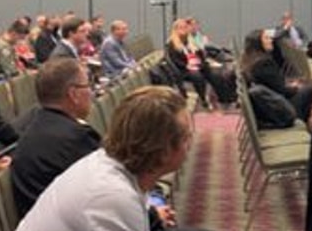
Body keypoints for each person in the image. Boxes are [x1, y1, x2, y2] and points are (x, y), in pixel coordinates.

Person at [18, 86, 193, 231]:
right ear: (162, 150)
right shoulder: (112, 196)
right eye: (186, 137)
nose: (190, 143)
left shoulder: (110, 163)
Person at [10, 58, 101, 217]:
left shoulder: (34, 128)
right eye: (88, 86)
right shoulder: (76, 138)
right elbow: (110, 191)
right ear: (73, 94)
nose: (91, 92)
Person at [241, 28, 312, 124]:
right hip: (278, 108)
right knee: (308, 90)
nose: (271, 40)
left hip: (267, 106)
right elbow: (282, 91)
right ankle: (299, 121)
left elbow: (274, 85)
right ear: (258, 43)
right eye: (266, 38)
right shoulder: (263, 63)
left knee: (304, 89)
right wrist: (295, 87)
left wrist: (291, 85)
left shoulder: (251, 61)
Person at [167, 18, 233, 109]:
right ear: (175, 29)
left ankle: (224, 99)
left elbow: (201, 55)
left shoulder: (191, 40)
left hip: (197, 65)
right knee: (197, 76)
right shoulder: (172, 43)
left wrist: (201, 61)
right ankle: (203, 99)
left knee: (215, 74)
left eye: (185, 27)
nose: (183, 29)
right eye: (180, 27)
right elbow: (174, 61)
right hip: (184, 69)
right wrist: (188, 66)